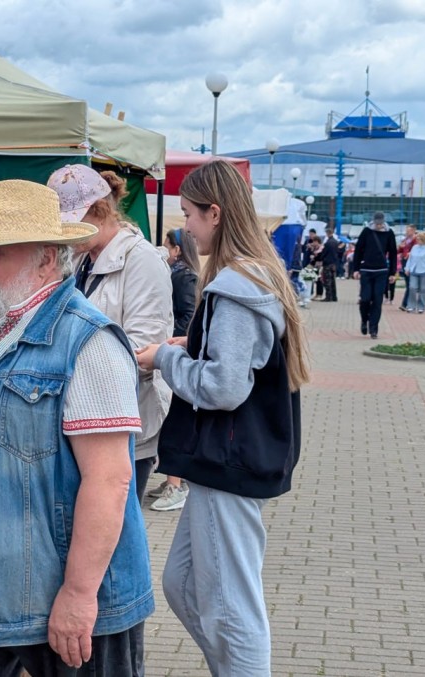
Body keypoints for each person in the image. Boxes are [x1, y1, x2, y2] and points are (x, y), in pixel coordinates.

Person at [0, 179, 154, 675]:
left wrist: (79, 594)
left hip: (55, 593)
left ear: (47, 260)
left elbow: (109, 480)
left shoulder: (87, 340)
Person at [135, 161, 309, 675]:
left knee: (233, 607)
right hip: (229, 461)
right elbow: (242, 363)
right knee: (184, 584)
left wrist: (165, 359)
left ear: (215, 213)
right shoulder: (255, 274)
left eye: (190, 214)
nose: (185, 227)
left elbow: (223, 388)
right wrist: (194, 345)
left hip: (227, 462)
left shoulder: (235, 285)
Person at [47, 164, 173, 502]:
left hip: (125, 421)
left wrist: (68, 360)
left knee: (113, 521)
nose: (66, 234)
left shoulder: (142, 260)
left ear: (100, 211)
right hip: (84, 416)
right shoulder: (82, 259)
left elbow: (144, 349)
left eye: (72, 222)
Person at [146, 228, 199, 512]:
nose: (163, 248)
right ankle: (173, 480)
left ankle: (176, 485)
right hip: (173, 352)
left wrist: (174, 337)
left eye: (167, 245)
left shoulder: (184, 276)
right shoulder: (177, 273)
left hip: (175, 354)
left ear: (177, 250)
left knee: (174, 420)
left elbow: (187, 314)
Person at [352, 211, 397, 339]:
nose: (379, 225)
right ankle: (364, 319)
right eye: (377, 223)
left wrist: (392, 272)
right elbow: (358, 250)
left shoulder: (389, 233)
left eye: (380, 223)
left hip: (381, 271)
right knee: (365, 299)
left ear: (384, 221)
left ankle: (373, 328)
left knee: (377, 300)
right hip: (366, 270)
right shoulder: (367, 231)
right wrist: (356, 269)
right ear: (373, 221)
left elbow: (393, 253)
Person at [404, 232, 425, 313]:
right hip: (414, 271)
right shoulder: (414, 247)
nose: (417, 240)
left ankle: (421, 306)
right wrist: (407, 268)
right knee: (412, 287)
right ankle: (411, 306)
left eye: (419, 239)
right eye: (417, 239)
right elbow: (410, 259)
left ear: (424, 239)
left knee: (423, 289)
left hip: (424, 271)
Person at [397, 225, 417, 311]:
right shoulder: (405, 240)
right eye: (406, 230)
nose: (406, 232)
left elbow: (416, 251)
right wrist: (400, 247)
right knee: (409, 284)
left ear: (413, 231)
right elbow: (399, 251)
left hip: (412, 263)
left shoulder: (416, 240)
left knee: (410, 284)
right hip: (405, 263)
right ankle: (408, 303)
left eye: (408, 231)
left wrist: (409, 253)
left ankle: (406, 303)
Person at [318, 226, 340, 301]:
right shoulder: (336, 242)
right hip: (334, 263)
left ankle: (328, 297)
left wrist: (321, 258)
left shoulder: (327, 243)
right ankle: (334, 296)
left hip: (327, 263)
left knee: (327, 281)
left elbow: (324, 253)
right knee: (333, 280)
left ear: (327, 233)